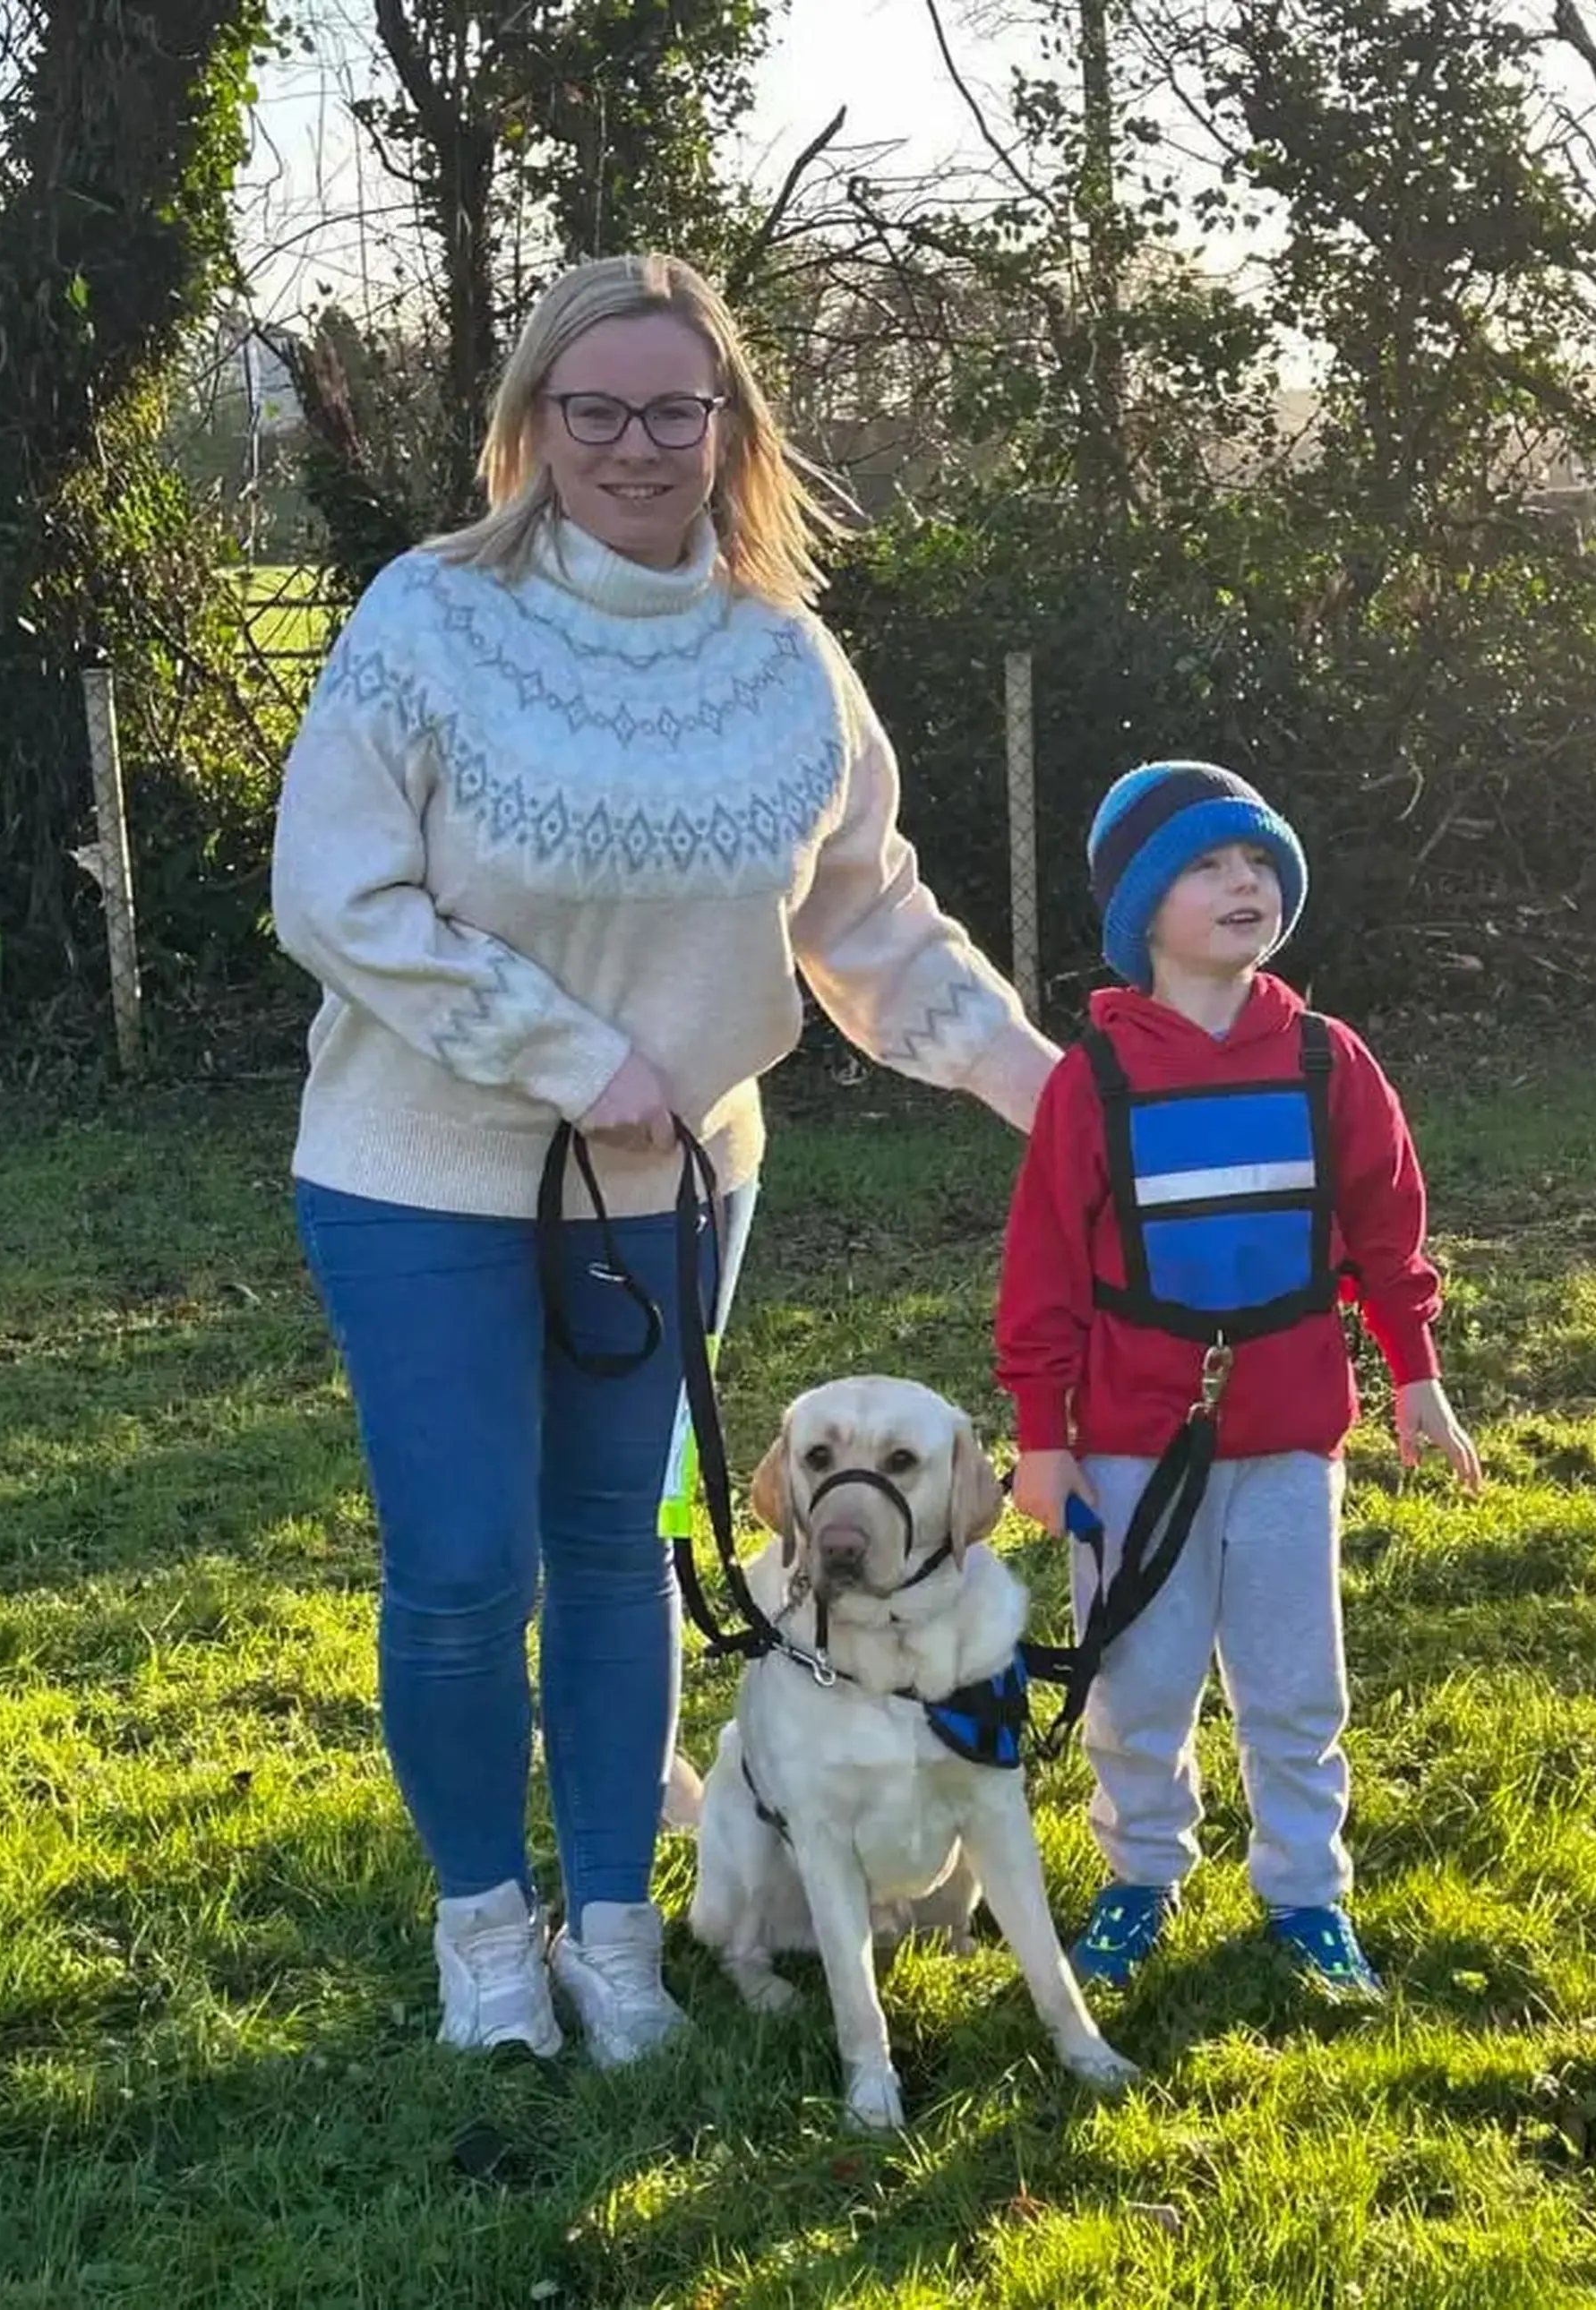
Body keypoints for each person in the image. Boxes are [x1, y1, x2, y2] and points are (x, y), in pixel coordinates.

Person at [270, 252, 1057, 2068]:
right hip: (416, 1170)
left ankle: (616, 1925)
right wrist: (567, 1055)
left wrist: (1045, 1084)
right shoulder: (429, 617)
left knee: (617, 1554)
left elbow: (872, 924)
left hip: (676, 1185)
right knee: (466, 1566)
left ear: (731, 430)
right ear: (534, 424)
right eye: (593, 408)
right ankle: (488, 1926)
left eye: (673, 410)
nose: (634, 444)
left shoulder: (788, 663)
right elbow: (336, 892)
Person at [994, 760, 1481, 1998]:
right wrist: (1041, 1438)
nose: (1241, 883)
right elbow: (1044, 1270)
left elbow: (1386, 1234)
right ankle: (1142, 1870)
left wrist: (1415, 1372)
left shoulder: (1328, 1061)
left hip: (1287, 1435)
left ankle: (1306, 1891)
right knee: (1139, 1677)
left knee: (1295, 1679)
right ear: (1141, 911)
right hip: (1126, 1445)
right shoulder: (1091, 1080)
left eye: (1259, 861)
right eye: (1207, 865)